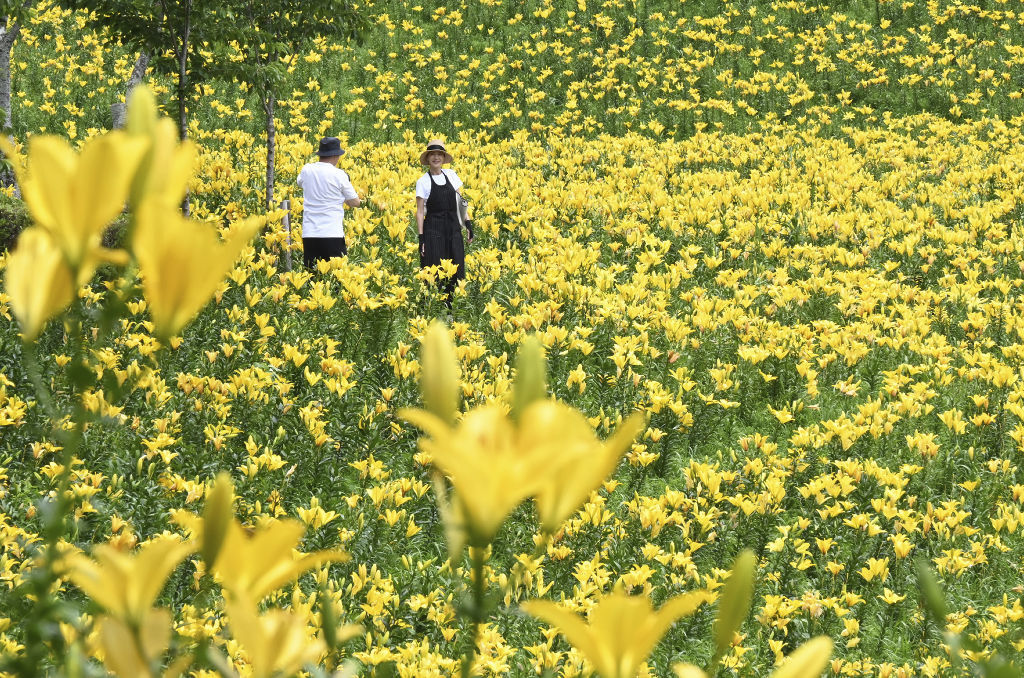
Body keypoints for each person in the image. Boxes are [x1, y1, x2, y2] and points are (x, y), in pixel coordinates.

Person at [415, 139, 473, 307]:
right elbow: (419, 212)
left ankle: (452, 309)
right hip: (433, 230)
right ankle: (434, 308)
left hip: (453, 229)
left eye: (439, 154)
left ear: (443, 157)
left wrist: (468, 224)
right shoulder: (423, 182)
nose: (436, 157)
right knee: (434, 268)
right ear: (428, 159)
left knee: (456, 266)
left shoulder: (452, 175)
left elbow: (460, 202)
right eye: (432, 154)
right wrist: (421, 238)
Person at [296, 136, 360, 269]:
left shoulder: (307, 169)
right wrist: (342, 197)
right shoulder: (339, 175)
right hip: (332, 234)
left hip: (310, 234)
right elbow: (355, 202)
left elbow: (300, 183)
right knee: (336, 278)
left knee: (312, 275)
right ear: (336, 155)